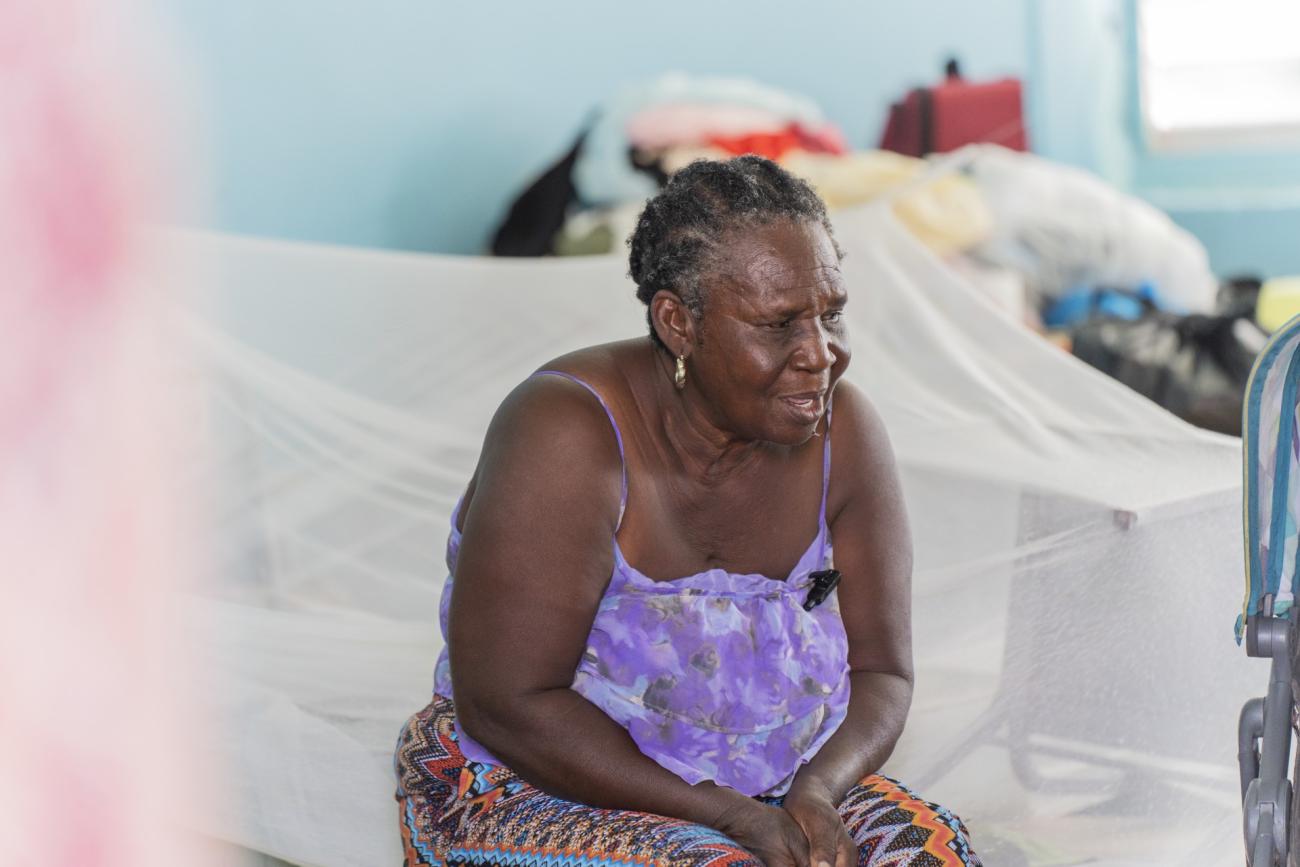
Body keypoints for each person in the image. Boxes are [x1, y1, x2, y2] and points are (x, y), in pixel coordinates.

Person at [395, 156, 979, 867]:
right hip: (536, 779)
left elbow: (884, 670)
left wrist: (818, 791)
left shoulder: (843, 431)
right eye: (778, 324)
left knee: (928, 853)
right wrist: (728, 816)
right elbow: (508, 703)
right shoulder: (567, 432)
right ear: (677, 322)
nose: (821, 354)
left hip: (781, 780)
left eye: (831, 314)